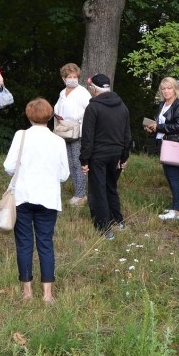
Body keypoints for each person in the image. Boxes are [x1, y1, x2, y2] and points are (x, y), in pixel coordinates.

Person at [5, 98, 70, 302]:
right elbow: (64, 175)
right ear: (50, 116)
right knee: (45, 243)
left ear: (29, 115)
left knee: (24, 243)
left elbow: (8, 166)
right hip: (48, 197)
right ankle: (47, 294)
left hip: (23, 196)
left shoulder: (21, 135)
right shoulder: (58, 141)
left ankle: (27, 292)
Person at [79, 73, 131, 239]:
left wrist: (84, 160)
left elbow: (88, 137)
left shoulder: (92, 107)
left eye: (91, 87)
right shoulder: (122, 106)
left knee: (97, 190)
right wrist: (124, 158)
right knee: (111, 187)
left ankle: (104, 227)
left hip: (98, 156)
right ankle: (118, 220)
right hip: (116, 154)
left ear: (95, 89)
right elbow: (127, 136)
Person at [144, 77, 179, 222]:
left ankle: (178, 211)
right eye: (163, 88)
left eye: (169, 88)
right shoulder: (162, 104)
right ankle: (175, 206)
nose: (166, 91)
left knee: (174, 177)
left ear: (175, 89)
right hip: (163, 144)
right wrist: (152, 127)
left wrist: (159, 127)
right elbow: (160, 123)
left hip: (174, 145)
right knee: (169, 177)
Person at [53, 63, 92, 207]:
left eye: (75, 77)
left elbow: (89, 111)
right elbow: (57, 108)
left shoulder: (82, 92)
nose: (72, 79)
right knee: (69, 163)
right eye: (69, 77)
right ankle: (78, 191)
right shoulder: (62, 93)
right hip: (64, 131)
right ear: (64, 78)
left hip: (78, 131)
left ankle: (81, 195)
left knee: (78, 162)